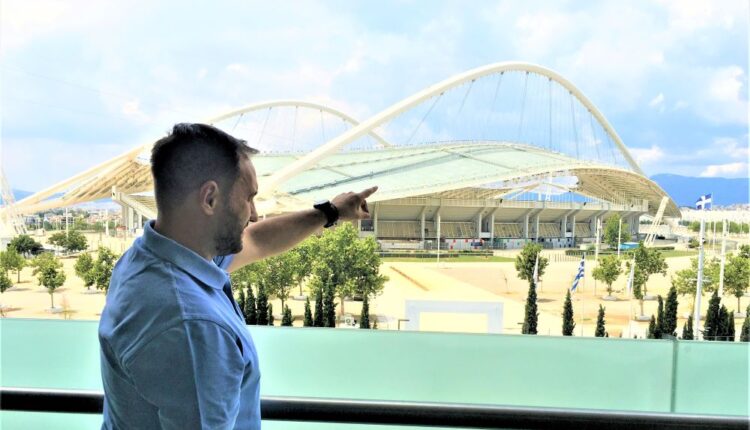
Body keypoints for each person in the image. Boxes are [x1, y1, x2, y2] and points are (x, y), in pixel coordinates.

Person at [98, 123, 377, 429]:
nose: (254, 214)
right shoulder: (192, 326)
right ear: (209, 199)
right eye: (248, 198)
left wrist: (331, 212)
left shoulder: (149, 259)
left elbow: (257, 240)